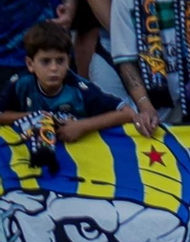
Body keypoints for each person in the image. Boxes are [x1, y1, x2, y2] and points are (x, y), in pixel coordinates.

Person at [1, 23, 136, 173]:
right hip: (31, 163)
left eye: (60, 61)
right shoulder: (20, 84)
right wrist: (35, 118)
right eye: (45, 61)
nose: (53, 68)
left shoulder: (80, 89)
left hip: (77, 163)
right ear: (30, 64)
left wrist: (82, 126)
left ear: (69, 61)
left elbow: (127, 112)